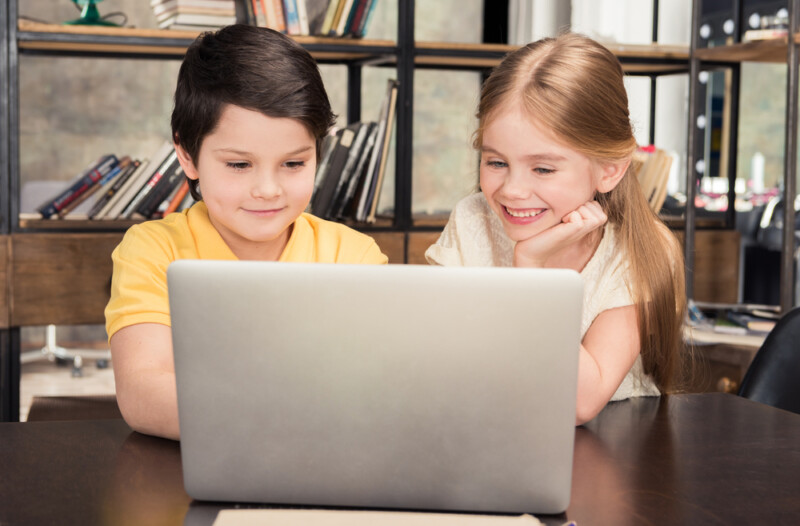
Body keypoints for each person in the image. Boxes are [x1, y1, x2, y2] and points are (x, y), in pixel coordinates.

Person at [105, 25, 388, 440]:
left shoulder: (354, 255)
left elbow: (380, 389)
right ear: (188, 156)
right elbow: (143, 394)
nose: (268, 190)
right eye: (239, 165)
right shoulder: (153, 250)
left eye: (293, 164)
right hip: (192, 475)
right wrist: (287, 418)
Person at [425, 33, 686, 425]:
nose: (512, 190)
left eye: (543, 169)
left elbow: (580, 404)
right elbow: (436, 370)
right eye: (496, 162)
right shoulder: (473, 221)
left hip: (610, 453)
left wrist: (530, 269)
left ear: (609, 169)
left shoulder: (641, 250)